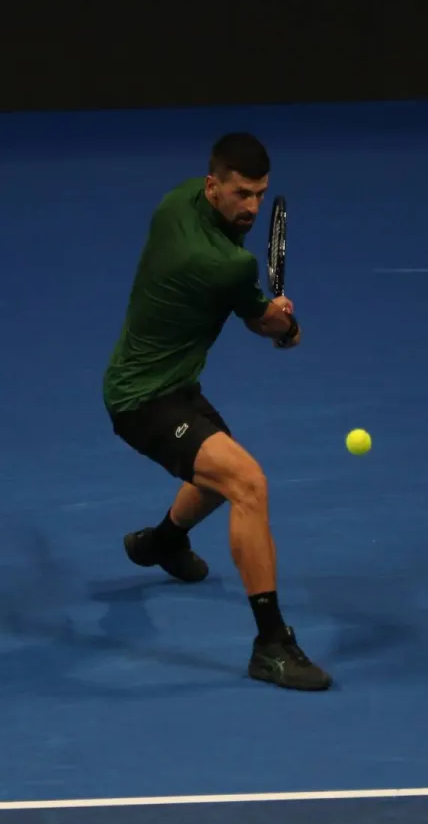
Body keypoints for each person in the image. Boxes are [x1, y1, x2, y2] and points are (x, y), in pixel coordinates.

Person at [102, 132, 332, 691]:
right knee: (248, 483)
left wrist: (265, 311)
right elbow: (264, 323)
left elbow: (242, 304)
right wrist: (287, 326)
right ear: (214, 186)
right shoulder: (225, 265)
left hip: (175, 386)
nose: (252, 207)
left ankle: (161, 543)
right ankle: (271, 645)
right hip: (142, 400)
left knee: (215, 475)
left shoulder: (176, 201)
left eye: (260, 194)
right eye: (241, 194)